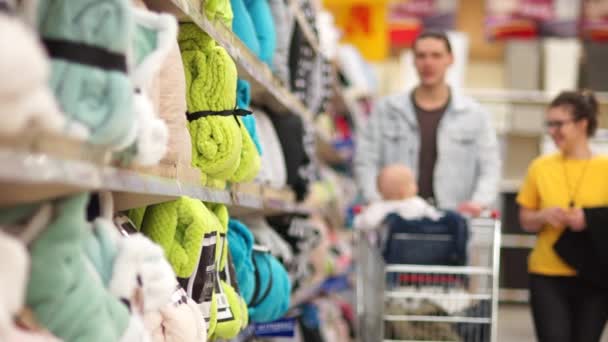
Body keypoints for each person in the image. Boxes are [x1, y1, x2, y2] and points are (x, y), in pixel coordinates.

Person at [355, 30, 500, 216]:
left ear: (450, 59)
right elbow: (366, 161)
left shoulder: (474, 115)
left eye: (436, 56)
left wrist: (478, 203)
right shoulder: (387, 110)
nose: (428, 63)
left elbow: (490, 167)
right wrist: (376, 201)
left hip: (453, 219)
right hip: (397, 219)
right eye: (421, 56)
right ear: (413, 61)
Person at [517, 90, 608, 342]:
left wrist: (588, 218)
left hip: (594, 276)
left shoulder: (605, 168)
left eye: (559, 124)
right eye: (550, 124)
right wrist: (543, 216)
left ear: (582, 124)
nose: (552, 131)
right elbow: (525, 219)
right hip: (547, 274)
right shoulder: (540, 167)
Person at [354, 164, 441, 229]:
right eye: (412, 182)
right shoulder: (417, 203)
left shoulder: (380, 207)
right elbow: (435, 216)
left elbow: (366, 222)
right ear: (404, 190)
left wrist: (358, 219)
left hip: (391, 249)